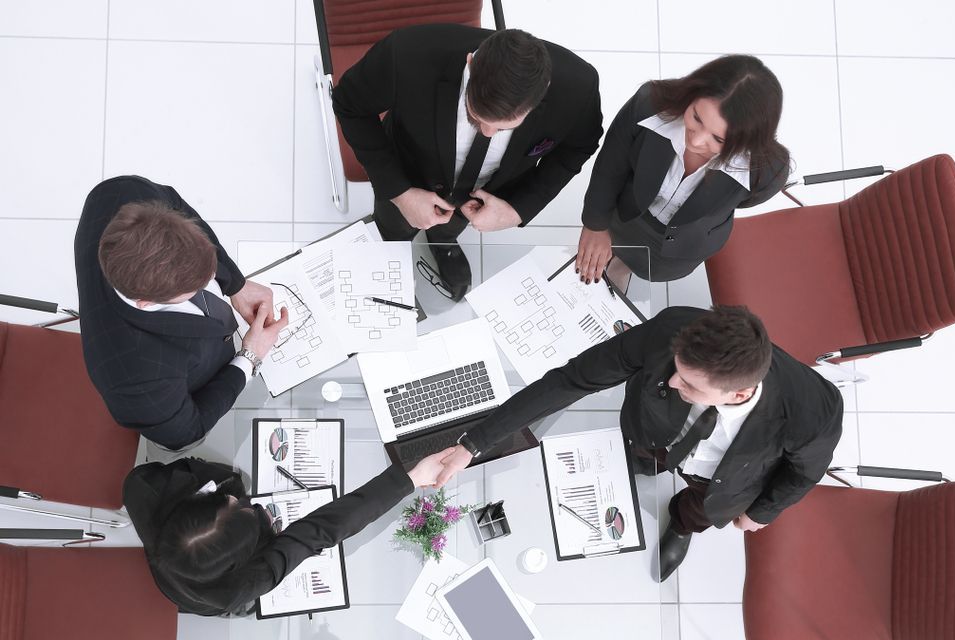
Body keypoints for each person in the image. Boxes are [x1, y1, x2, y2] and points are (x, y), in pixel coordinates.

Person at [433, 306, 843, 581]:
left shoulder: (814, 411)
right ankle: (645, 464)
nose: (672, 382)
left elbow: (804, 472)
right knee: (641, 458)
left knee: (699, 508)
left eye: (691, 384)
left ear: (738, 393)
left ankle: (681, 524)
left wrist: (762, 512)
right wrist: (474, 444)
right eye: (677, 369)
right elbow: (571, 380)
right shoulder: (671, 330)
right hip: (650, 432)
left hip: (727, 478)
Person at [333, 25, 603, 301]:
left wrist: (518, 209)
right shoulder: (405, 53)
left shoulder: (579, 87)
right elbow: (348, 104)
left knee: (452, 225)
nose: (487, 132)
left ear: (543, 92)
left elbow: (579, 146)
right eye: (476, 115)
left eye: (503, 127)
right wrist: (400, 194)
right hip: (410, 170)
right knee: (393, 227)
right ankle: (391, 246)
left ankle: (443, 241)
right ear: (471, 64)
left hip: (486, 189)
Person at [74, 175, 289, 450]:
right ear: (144, 302)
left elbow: (176, 205)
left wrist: (236, 285)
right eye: (198, 286)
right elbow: (187, 431)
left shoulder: (121, 193)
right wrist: (249, 357)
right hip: (191, 389)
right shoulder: (137, 379)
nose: (212, 279)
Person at [123, 448, 456, 616]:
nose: (236, 499)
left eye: (225, 502)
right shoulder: (247, 583)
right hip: (192, 597)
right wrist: (410, 480)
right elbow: (321, 529)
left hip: (180, 569)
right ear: (246, 554)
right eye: (243, 510)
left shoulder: (140, 488)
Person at [575, 55, 790, 286]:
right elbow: (610, 167)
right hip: (628, 213)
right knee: (615, 245)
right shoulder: (649, 103)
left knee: (644, 269)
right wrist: (595, 225)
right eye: (696, 117)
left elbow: (742, 200)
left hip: (682, 245)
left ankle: (622, 268)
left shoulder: (768, 170)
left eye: (718, 139)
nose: (696, 141)